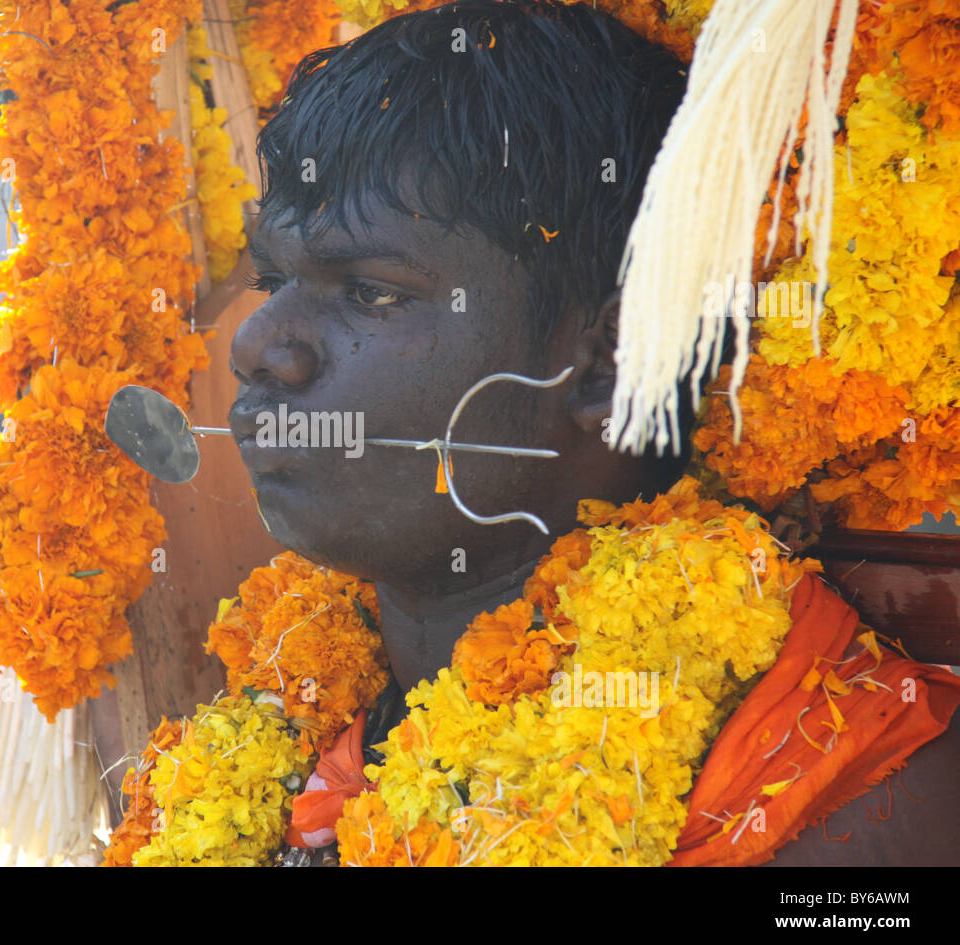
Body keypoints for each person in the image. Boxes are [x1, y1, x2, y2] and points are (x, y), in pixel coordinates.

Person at [226, 0, 958, 864]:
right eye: (272, 278)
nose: (258, 346)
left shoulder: (838, 790)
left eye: (372, 292)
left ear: (608, 363)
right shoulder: (273, 721)